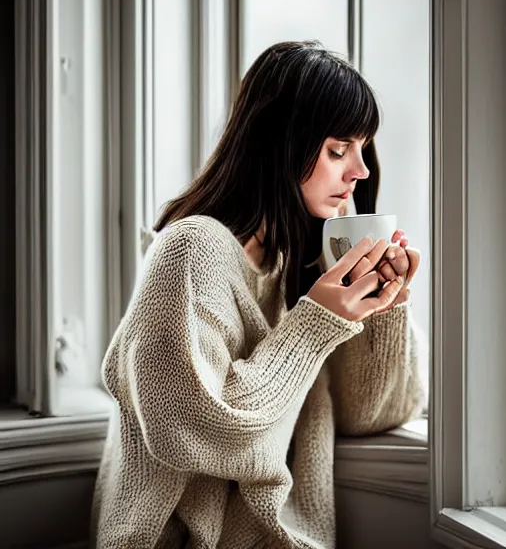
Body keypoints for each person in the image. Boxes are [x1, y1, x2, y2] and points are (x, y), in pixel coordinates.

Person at [91, 41, 427, 549]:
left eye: (362, 149)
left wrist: (383, 304)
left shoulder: (293, 268)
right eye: (339, 150)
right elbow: (196, 429)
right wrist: (314, 325)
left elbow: (372, 414)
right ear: (281, 143)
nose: (359, 170)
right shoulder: (191, 250)